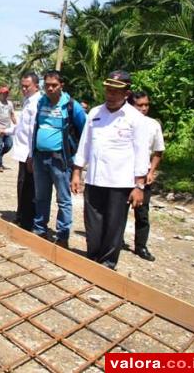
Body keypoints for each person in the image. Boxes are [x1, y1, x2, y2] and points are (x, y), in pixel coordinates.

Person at [71, 70, 150, 270]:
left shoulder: (134, 118)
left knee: (114, 227)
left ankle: (107, 264)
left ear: (126, 93)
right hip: (95, 180)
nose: (111, 95)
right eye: (108, 90)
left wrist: (139, 186)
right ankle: (93, 258)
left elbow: (142, 154)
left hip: (120, 183)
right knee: (93, 226)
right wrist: (77, 172)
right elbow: (85, 144)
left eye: (116, 91)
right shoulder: (95, 113)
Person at [30, 70, 86, 248]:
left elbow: (85, 131)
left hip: (60, 159)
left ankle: (62, 235)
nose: (50, 88)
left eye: (54, 85)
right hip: (40, 157)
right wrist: (32, 154)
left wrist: (77, 160)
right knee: (41, 196)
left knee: (63, 199)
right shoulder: (41, 102)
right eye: (47, 85)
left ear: (61, 85)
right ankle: (39, 229)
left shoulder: (71, 106)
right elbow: (37, 127)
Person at [127, 91, 164, 262]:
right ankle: (115, 240)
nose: (143, 108)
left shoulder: (153, 125)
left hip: (142, 175)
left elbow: (158, 151)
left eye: (146, 105)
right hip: (124, 173)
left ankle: (141, 246)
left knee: (142, 213)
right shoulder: (123, 121)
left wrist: (151, 171)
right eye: (139, 105)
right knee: (118, 211)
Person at [5, 72, 41, 230]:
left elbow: (33, 131)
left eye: (27, 86)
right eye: (22, 86)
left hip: (29, 154)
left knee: (29, 188)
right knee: (22, 185)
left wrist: (31, 156)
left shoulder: (36, 103)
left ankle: (27, 221)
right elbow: (21, 128)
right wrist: (5, 131)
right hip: (23, 153)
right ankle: (22, 216)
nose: (24, 89)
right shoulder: (28, 101)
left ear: (36, 86)